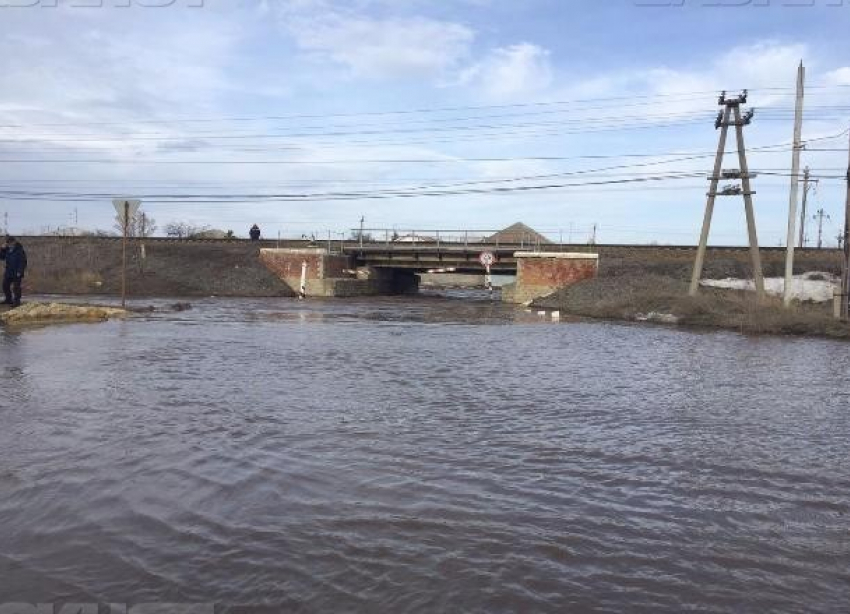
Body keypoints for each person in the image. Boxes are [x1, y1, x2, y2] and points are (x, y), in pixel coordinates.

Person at [0, 236, 27, 307]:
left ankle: (17, 302)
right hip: (9, 271)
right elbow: (1, 257)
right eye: (7, 243)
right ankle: (8, 299)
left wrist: (20, 271)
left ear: (14, 242)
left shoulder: (19, 250)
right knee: (5, 285)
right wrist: (2, 249)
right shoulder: (7, 250)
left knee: (16, 288)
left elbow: (23, 262)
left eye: (10, 243)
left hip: (17, 272)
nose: (9, 244)